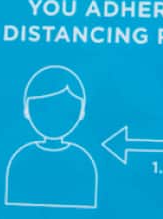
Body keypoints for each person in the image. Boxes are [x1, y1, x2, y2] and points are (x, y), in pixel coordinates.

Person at [5, 65, 97, 209]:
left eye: (66, 109)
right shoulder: (22, 158)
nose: (55, 117)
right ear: (26, 110)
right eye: (43, 107)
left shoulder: (82, 160)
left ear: (81, 113)